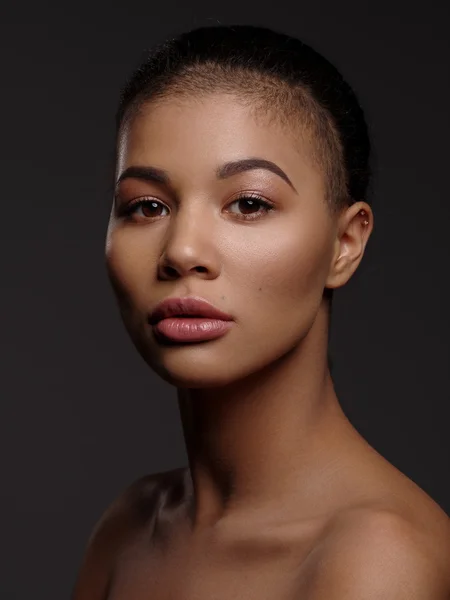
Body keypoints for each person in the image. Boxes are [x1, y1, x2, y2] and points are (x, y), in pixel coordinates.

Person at [72, 24, 450, 600]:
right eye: (146, 206)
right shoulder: (129, 527)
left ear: (344, 244)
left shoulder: (381, 559)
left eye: (248, 203)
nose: (182, 251)